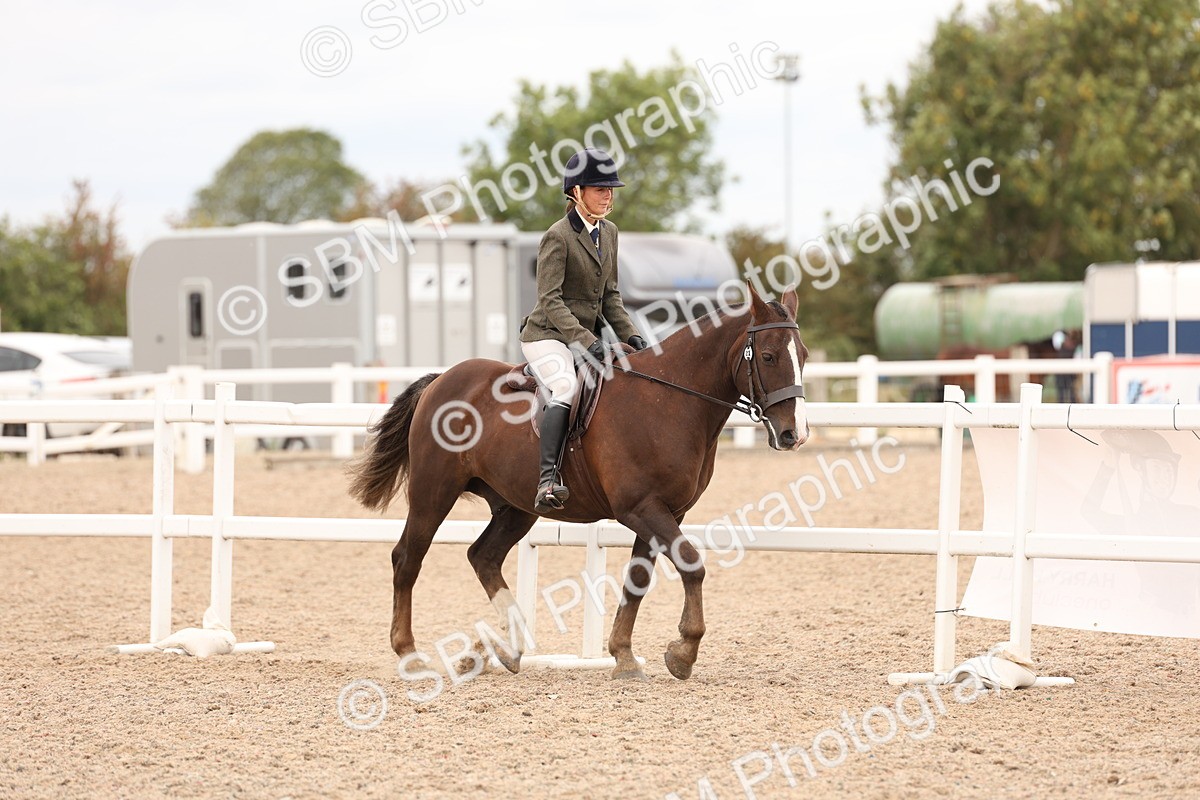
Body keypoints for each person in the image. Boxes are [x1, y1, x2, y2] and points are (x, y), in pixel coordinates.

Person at [518, 148, 648, 512]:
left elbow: (610, 296)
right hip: (547, 336)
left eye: (611, 189)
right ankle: (548, 479)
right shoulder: (557, 237)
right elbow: (551, 300)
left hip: (583, 339)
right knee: (566, 386)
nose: (608, 195)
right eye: (599, 189)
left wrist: (634, 336)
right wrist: (587, 342)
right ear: (576, 192)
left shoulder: (610, 233)